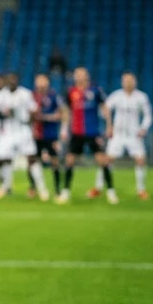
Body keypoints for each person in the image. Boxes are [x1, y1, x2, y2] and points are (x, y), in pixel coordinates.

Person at [60, 67, 111, 204]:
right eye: (77, 74)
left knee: (102, 161)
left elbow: (104, 108)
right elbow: (66, 111)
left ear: (87, 76)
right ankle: (66, 191)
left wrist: (109, 125)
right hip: (76, 132)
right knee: (70, 161)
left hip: (93, 132)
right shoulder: (71, 91)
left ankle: (111, 191)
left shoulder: (95, 90)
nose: (79, 77)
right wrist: (64, 129)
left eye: (82, 74)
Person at [104, 71, 153, 201]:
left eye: (130, 80)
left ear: (135, 82)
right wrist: (109, 126)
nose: (128, 83)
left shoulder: (141, 97)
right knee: (107, 160)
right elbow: (105, 108)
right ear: (122, 82)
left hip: (134, 135)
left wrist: (143, 128)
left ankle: (141, 190)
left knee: (140, 160)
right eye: (126, 80)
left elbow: (148, 115)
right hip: (117, 135)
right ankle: (98, 187)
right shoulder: (116, 96)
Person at [0, 73, 40, 200]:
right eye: (9, 79)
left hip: (23, 129)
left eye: (13, 79)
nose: (11, 82)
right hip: (9, 130)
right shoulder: (2, 95)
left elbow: (33, 109)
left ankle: (39, 188)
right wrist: (5, 113)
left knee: (31, 158)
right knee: (1, 158)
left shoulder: (25, 94)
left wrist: (30, 124)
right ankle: (6, 186)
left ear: (17, 81)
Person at [31, 73, 66, 201]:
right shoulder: (31, 96)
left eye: (43, 81)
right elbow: (29, 115)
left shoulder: (54, 96)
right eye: (38, 81)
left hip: (51, 134)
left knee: (55, 162)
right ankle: (39, 189)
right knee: (34, 161)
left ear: (47, 82)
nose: (41, 84)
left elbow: (62, 113)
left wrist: (48, 118)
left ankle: (57, 190)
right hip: (36, 135)